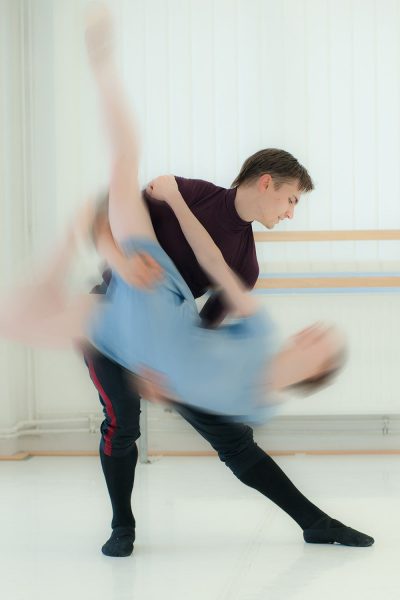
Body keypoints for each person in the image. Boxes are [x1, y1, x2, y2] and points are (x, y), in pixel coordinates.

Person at [79, 6, 373, 557]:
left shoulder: (247, 265)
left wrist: (178, 373)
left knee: (234, 438)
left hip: (169, 337)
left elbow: (208, 331)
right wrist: (117, 262)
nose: (290, 213)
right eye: (290, 200)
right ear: (266, 182)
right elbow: (106, 215)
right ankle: (124, 526)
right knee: (121, 425)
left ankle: (315, 522)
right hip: (111, 315)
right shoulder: (187, 192)